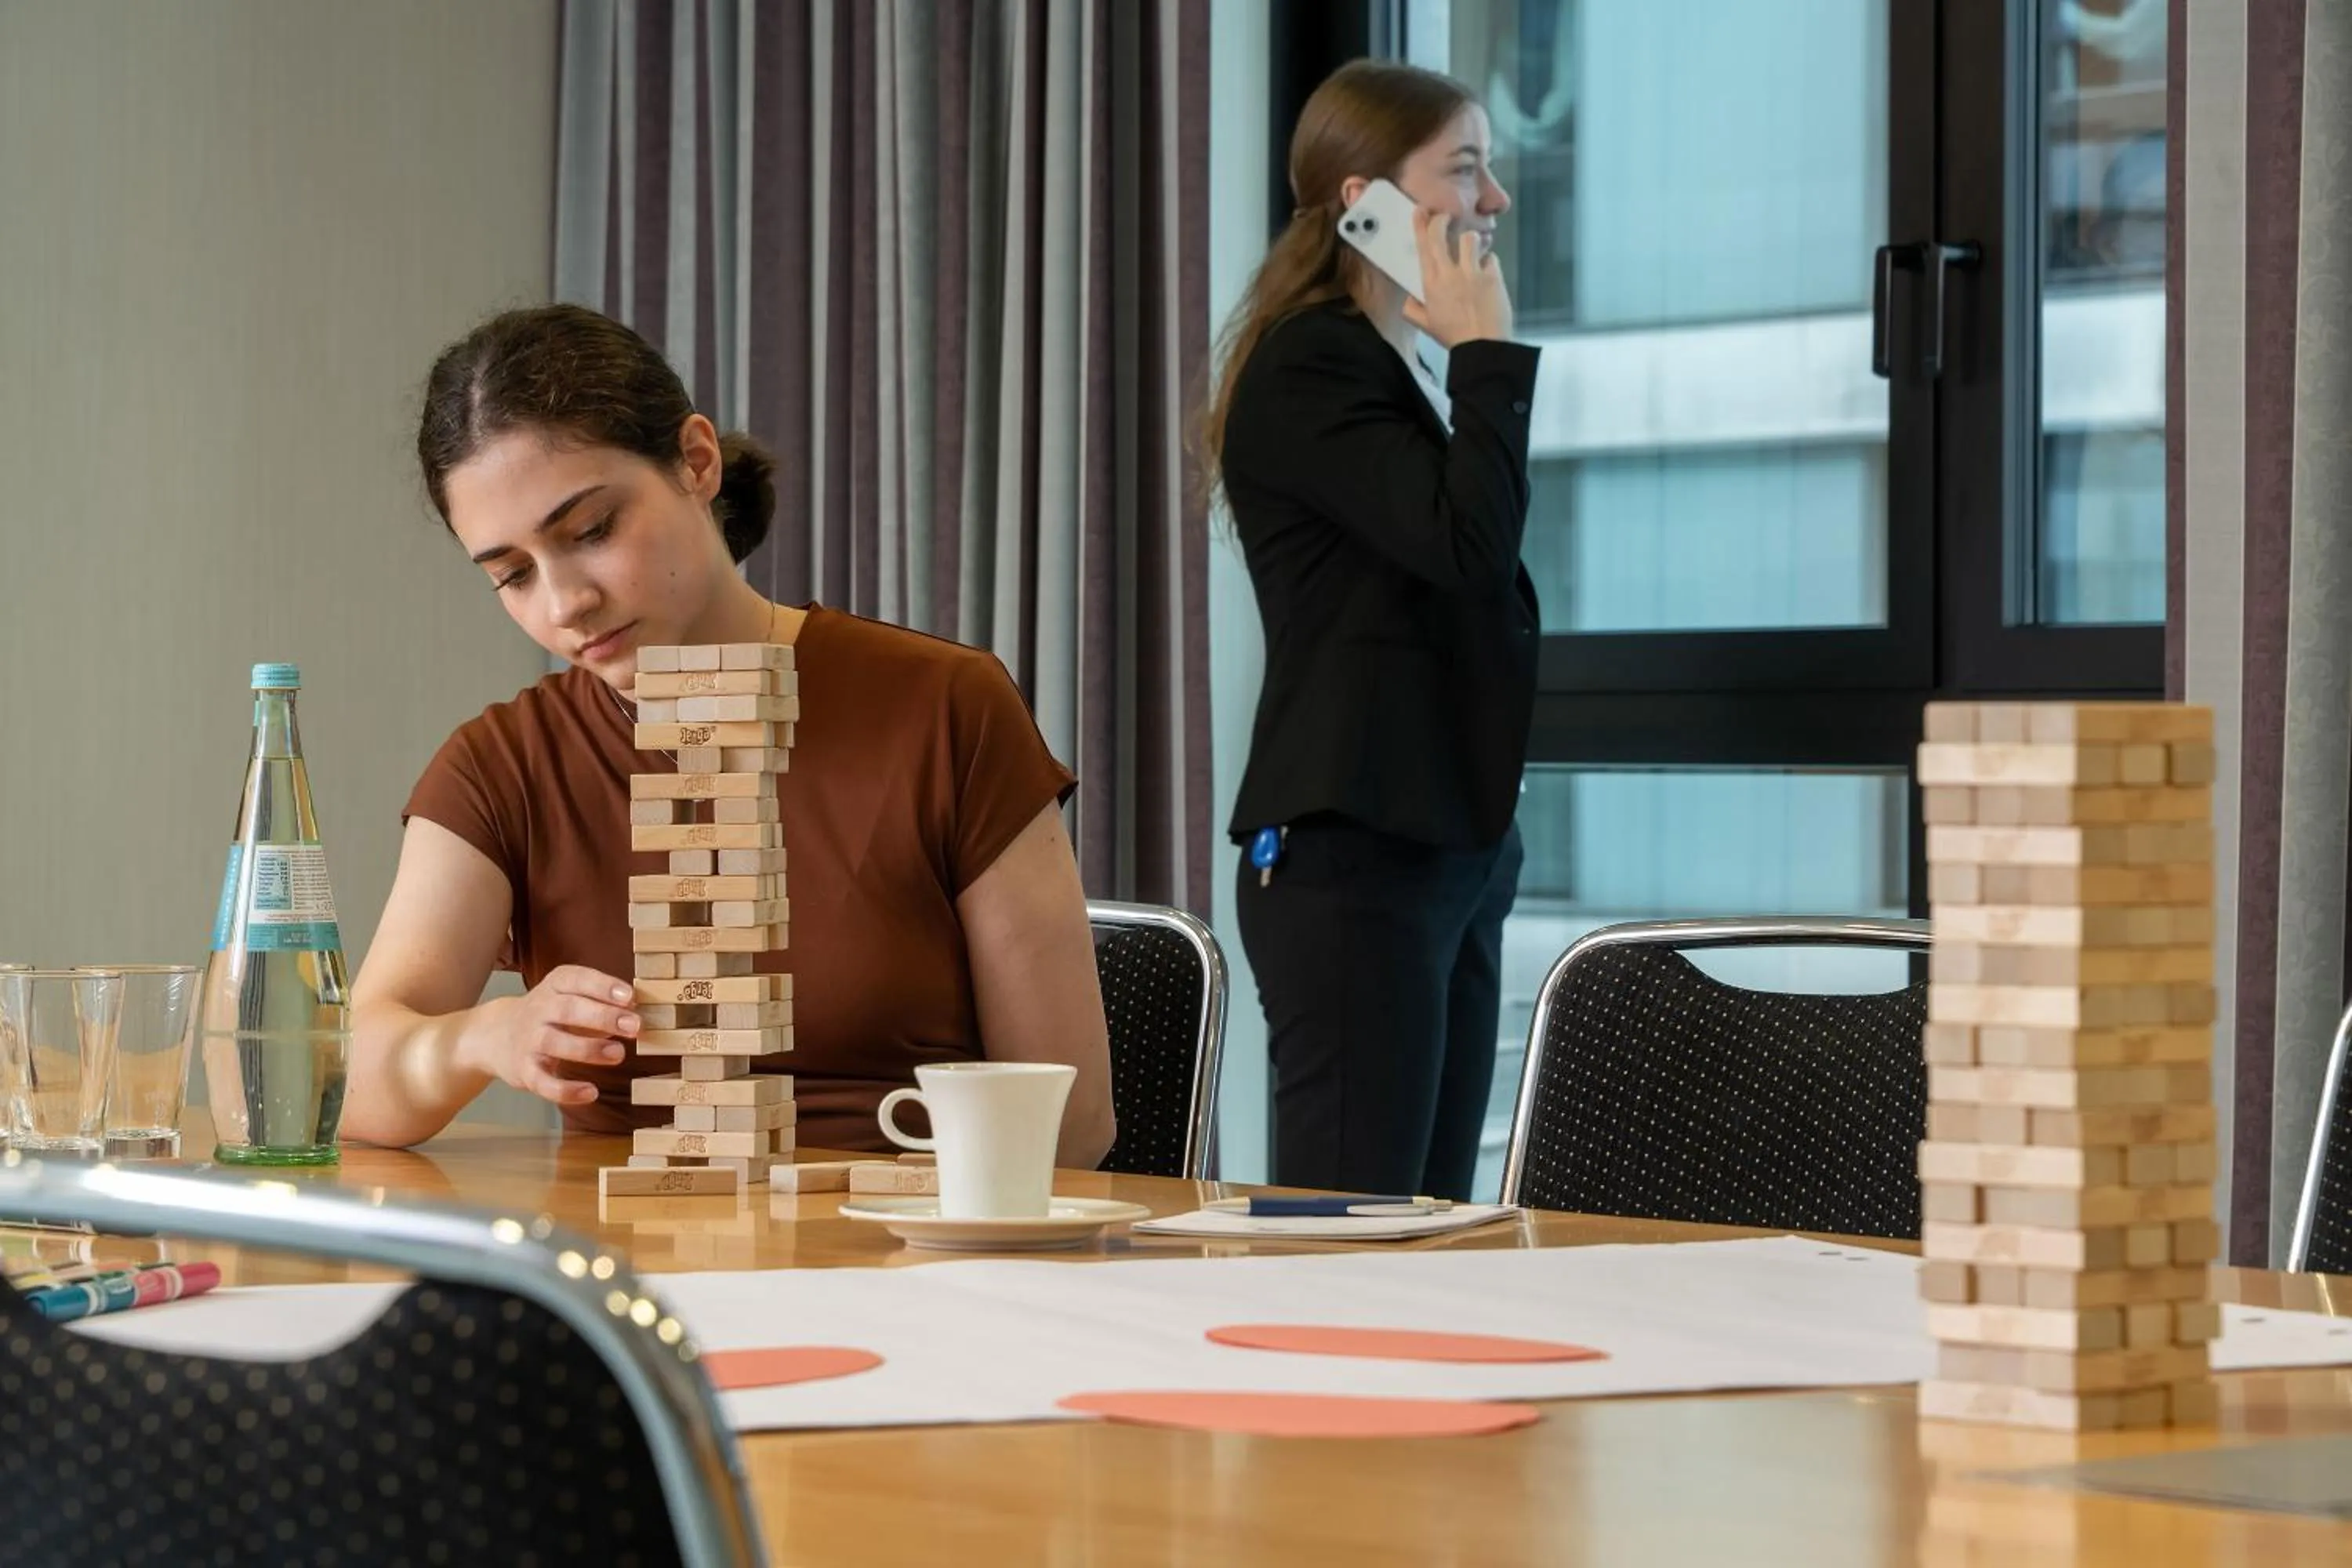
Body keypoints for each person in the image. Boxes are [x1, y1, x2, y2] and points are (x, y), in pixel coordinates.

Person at [341, 304, 1116, 1166]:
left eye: (592, 530)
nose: (564, 605)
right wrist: (484, 1036)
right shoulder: (505, 767)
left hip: (912, 1267)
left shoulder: (946, 708)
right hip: (634, 1281)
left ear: (697, 461)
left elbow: (1072, 1118)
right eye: (513, 575)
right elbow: (345, 1080)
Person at [1202, 60, 1539, 1200]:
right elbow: (1468, 547)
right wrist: (1488, 356)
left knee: (1426, 1232)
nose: (1493, 203)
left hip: (1443, 844)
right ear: (1367, 201)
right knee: (1345, 1237)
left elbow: (1455, 578)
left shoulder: (1381, 365)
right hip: (1355, 858)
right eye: (1465, 170)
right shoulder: (1313, 360)